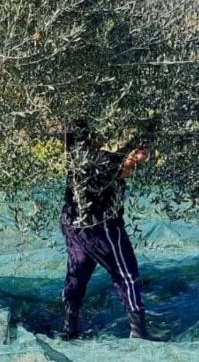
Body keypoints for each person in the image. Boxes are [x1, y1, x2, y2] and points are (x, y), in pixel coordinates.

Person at [60, 118, 151, 340]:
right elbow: (133, 161)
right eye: (95, 133)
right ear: (88, 140)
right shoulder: (100, 163)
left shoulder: (75, 160)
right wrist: (150, 132)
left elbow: (123, 157)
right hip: (102, 228)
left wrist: (133, 141)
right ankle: (138, 332)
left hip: (73, 225)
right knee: (126, 274)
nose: (101, 136)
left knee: (77, 274)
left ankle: (69, 327)